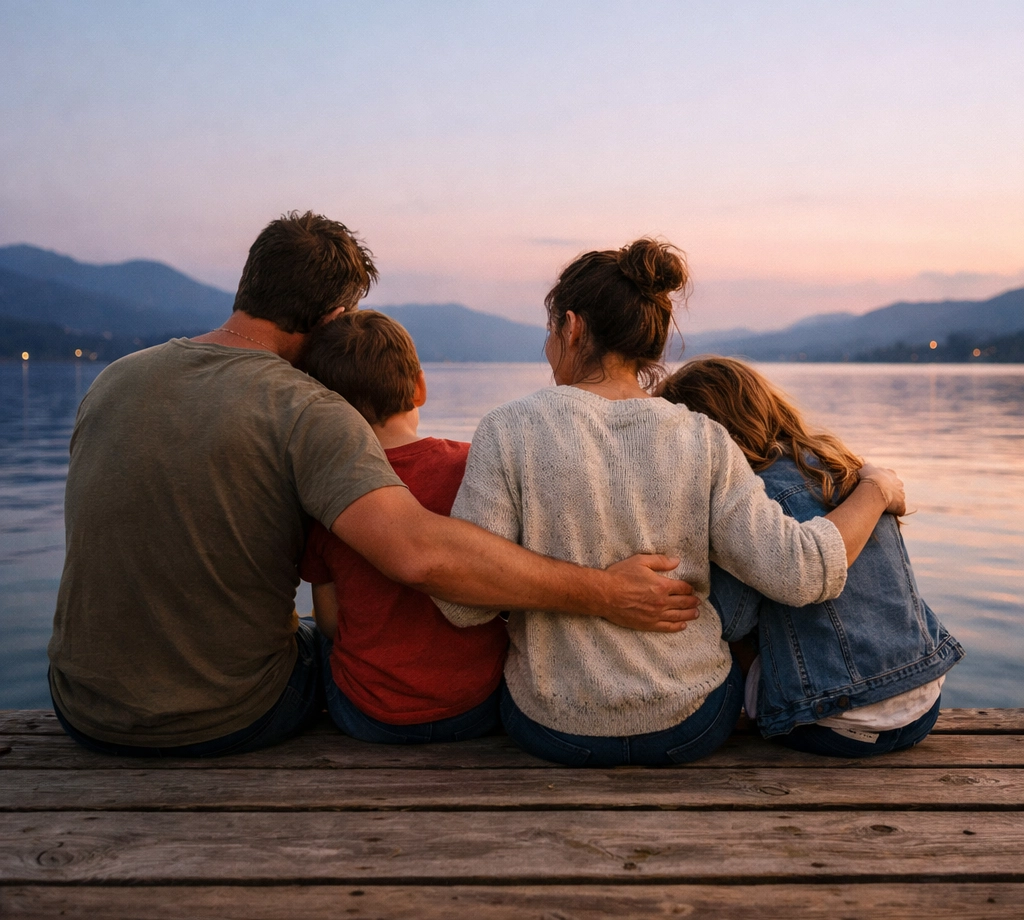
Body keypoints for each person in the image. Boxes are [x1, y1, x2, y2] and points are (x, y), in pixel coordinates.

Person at [47, 212, 698, 757]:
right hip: (228, 717)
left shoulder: (116, 378)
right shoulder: (304, 408)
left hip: (83, 706)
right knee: (327, 654)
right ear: (333, 317)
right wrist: (607, 592)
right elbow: (420, 555)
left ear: (250, 282)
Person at [433, 238, 906, 767]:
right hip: (692, 723)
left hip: (554, 727)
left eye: (550, 332)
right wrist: (877, 488)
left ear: (571, 327)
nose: (548, 348)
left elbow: (462, 604)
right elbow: (800, 573)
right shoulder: (703, 438)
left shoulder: (507, 430)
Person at [659, 356, 963, 757]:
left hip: (835, 723)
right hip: (923, 706)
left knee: (716, 637)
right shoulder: (846, 470)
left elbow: (731, 619)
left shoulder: (748, 502)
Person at [301, 310, 508, 743]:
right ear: (419, 386)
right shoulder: (474, 465)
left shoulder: (326, 491)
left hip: (369, 716)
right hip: (476, 707)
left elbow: (332, 621)